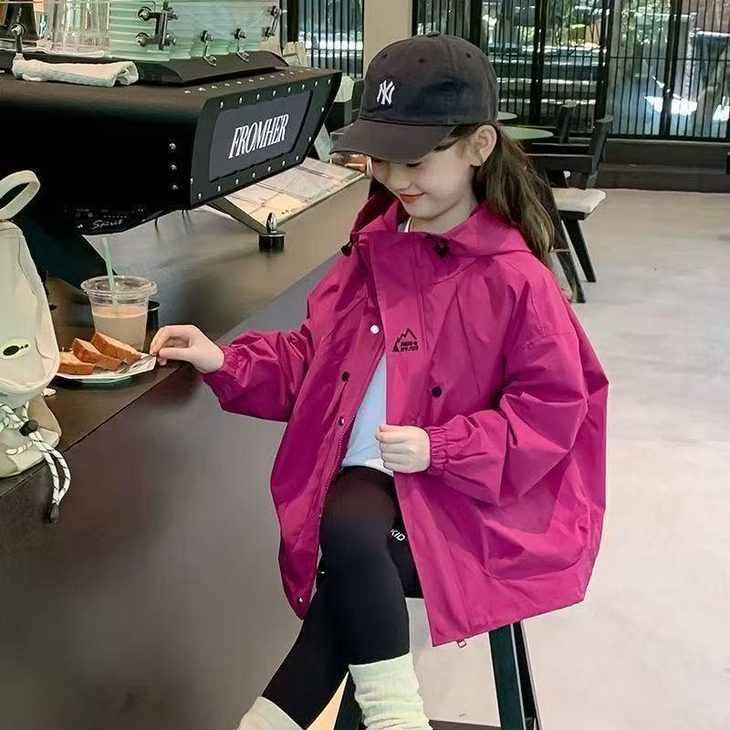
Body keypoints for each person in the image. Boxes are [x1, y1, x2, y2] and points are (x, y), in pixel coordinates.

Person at [150, 33, 608, 730]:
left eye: (416, 160)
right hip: (376, 484)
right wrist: (226, 360)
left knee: (350, 540)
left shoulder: (516, 279)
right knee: (352, 533)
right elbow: (314, 362)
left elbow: (549, 415)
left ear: (479, 146)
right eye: (381, 159)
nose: (395, 179)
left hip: (474, 495)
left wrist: (441, 449)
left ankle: (376, 718)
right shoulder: (372, 250)